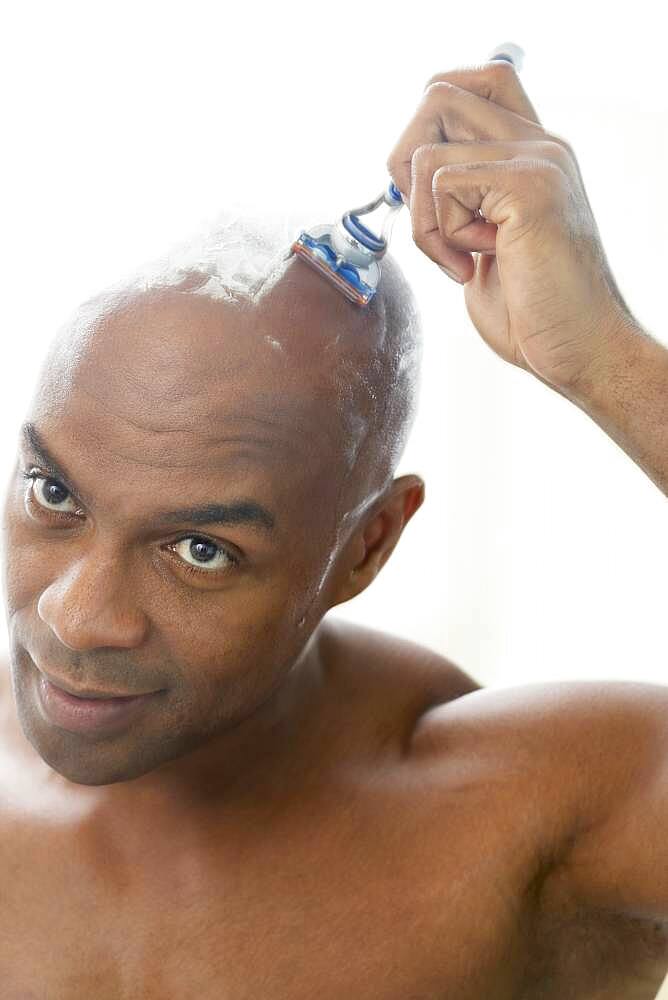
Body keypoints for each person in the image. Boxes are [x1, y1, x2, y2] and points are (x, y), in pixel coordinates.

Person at [0, 60, 666, 999]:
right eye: (54, 495)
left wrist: (603, 358)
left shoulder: (526, 818)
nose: (76, 618)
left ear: (366, 547)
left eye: (201, 549)